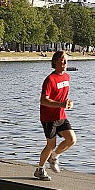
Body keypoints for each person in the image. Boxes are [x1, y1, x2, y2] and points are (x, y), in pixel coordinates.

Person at [35, 50, 77, 181]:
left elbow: (62, 97)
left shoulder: (67, 77)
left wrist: (68, 103)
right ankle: (40, 169)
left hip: (61, 115)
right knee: (50, 145)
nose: (65, 63)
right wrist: (60, 104)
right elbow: (43, 100)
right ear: (55, 62)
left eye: (66, 60)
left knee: (71, 140)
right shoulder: (49, 79)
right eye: (62, 60)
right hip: (49, 117)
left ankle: (53, 157)